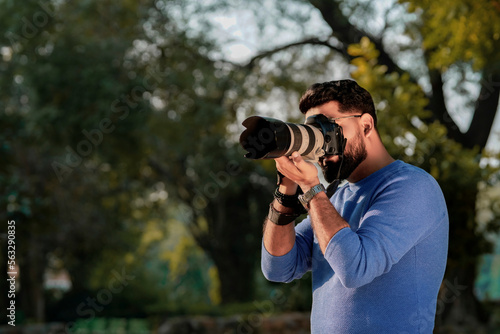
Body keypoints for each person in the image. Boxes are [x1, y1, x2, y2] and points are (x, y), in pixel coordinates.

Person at [261, 80, 449, 333]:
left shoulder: (413, 187)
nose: (323, 147)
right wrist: (287, 188)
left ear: (366, 124)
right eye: (314, 132)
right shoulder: (333, 200)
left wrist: (311, 188)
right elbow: (278, 268)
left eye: (329, 129)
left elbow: (356, 269)